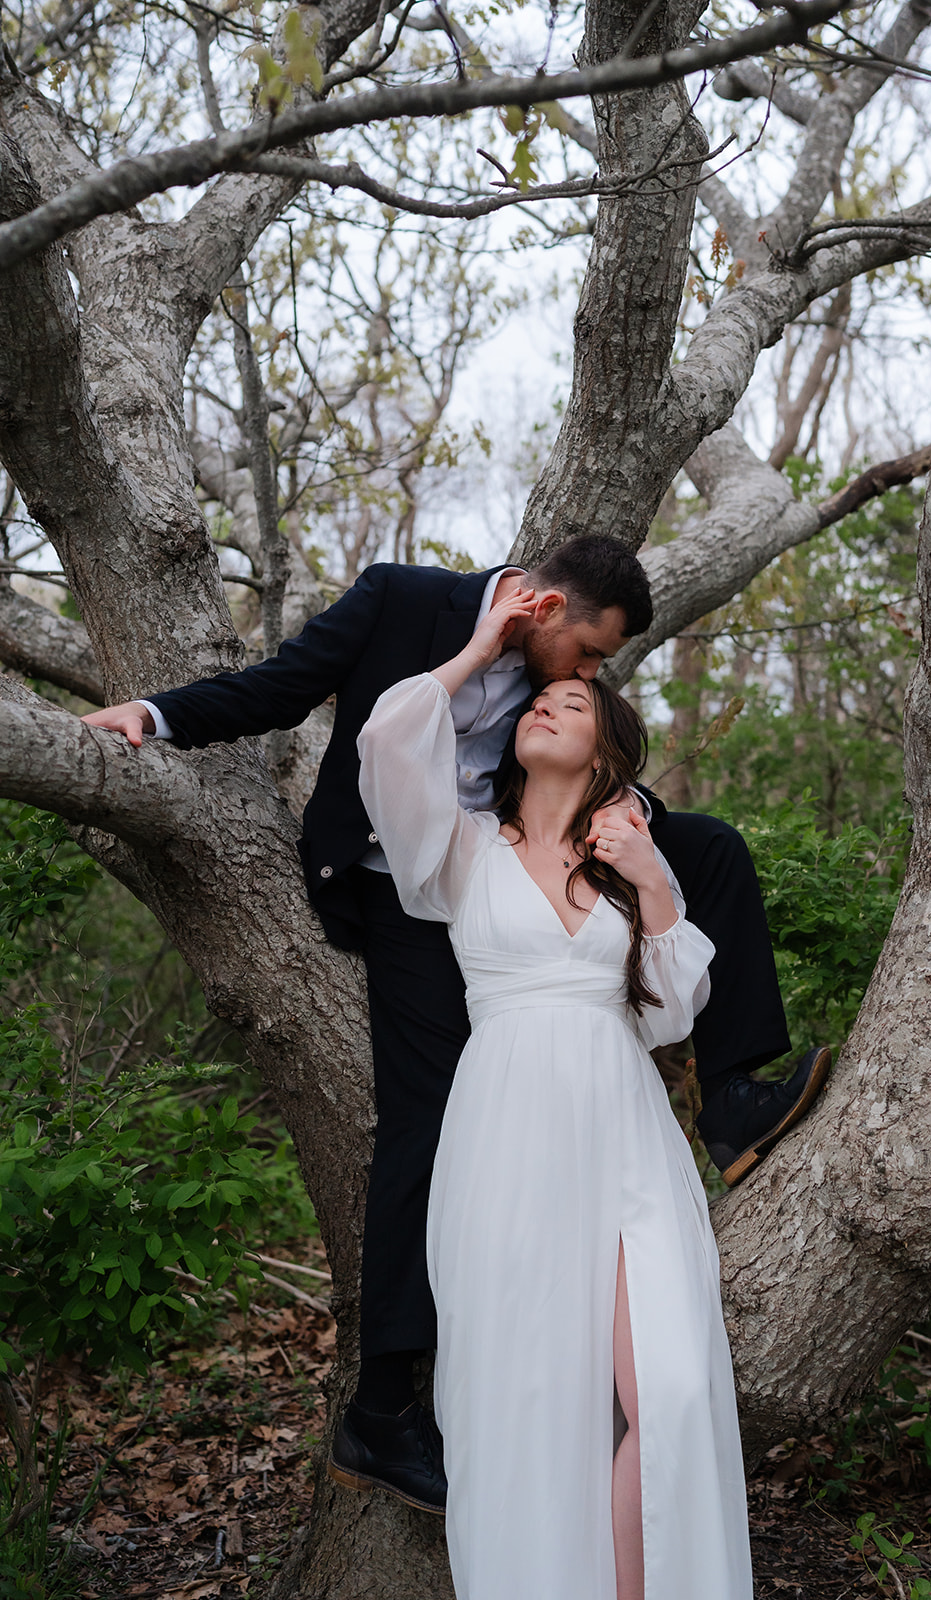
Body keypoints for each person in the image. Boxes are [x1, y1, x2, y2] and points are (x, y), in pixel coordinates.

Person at [82, 536, 828, 1513]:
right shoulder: (404, 602)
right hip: (413, 876)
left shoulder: (557, 685)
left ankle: (728, 1098)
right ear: (549, 605)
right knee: (424, 1124)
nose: (592, 674)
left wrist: (630, 838)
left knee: (712, 849)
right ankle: (385, 1404)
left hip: (530, 847)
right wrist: (154, 714)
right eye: (591, 654)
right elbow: (286, 684)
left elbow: (571, 769)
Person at [355, 587, 752, 1600]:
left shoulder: (628, 863)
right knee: (524, 1401)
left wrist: (652, 879)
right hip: (502, 1142)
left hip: (623, 1137)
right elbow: (392, 736)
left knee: (663, 1386)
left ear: (607, 753)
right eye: (539, 701)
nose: (544, 708)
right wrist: (485, 642)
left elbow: (668, 1015)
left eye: (572, 707)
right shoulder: (459, 854)